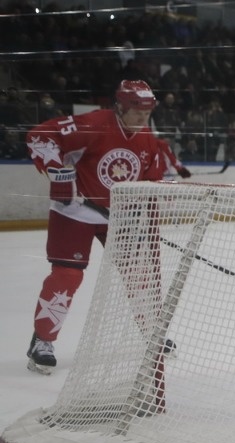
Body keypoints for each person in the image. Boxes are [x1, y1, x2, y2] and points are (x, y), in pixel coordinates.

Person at [24, 80, 171, 375]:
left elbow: (152, 179)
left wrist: (142, 208)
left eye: (147, 112)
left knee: (138, 272)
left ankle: (152, 334)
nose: (142, 119)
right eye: (136, 111)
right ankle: (42, 341)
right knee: (67, 275)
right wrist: (57, 169)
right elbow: (40, 136)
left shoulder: (147, 139)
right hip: (75, 212)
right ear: (119, 106)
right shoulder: (92, 124)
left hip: (117, 215)